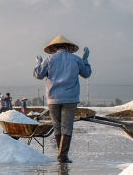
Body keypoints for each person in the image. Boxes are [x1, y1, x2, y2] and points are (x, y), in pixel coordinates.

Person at [33, 35, 92, 163]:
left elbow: (38, 75)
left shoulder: (49, 59)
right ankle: (62, 156)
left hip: (53, 99)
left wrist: (38, 64)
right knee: (67, 127)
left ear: (54, 48)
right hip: (70, 98)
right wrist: (85, 60)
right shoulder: (76, 60)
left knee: (57, 126)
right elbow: (86, 74)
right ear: (68, 47)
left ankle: (61, 155)